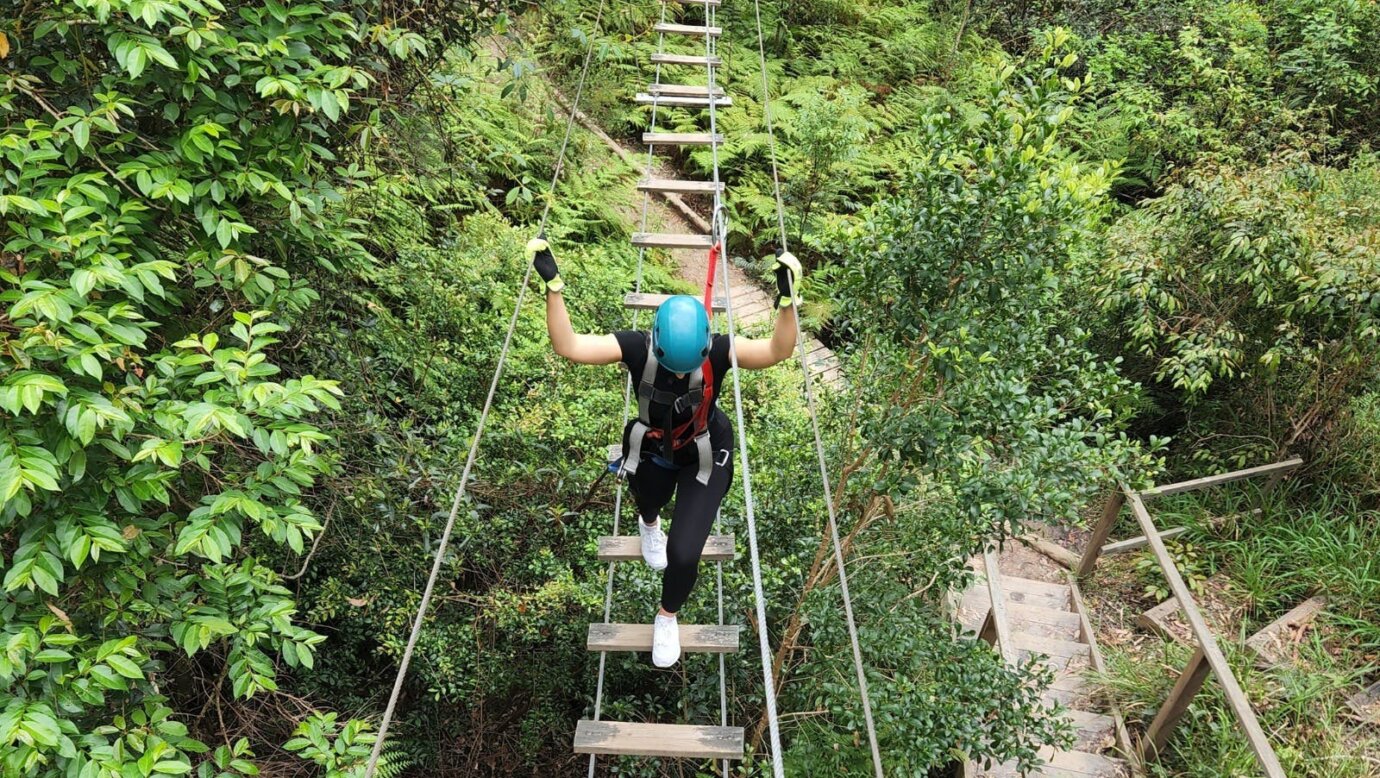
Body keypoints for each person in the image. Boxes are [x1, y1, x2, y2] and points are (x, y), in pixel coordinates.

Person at [529, 235, 802, 667]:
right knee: (648, 499)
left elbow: (777, 350)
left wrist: (787, 303)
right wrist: (554, 288)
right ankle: (649, 521)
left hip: (705, 453)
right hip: (653, 448)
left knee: (684, 552)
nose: (679, 374)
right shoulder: (637, 347)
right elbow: (571, 347)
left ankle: (666, 616)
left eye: (687, 367)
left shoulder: (719, 351)